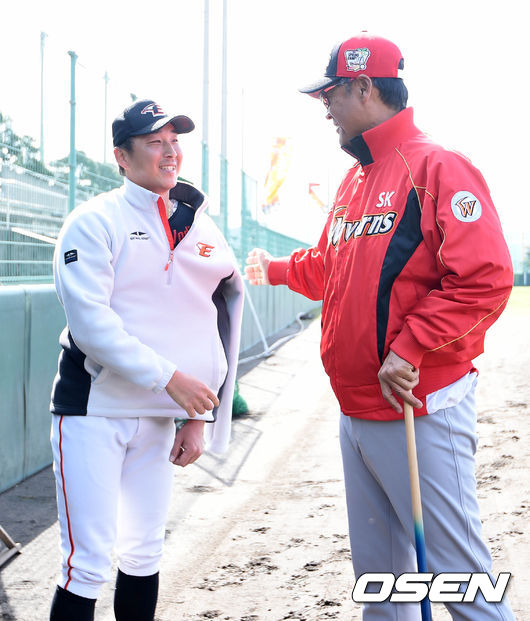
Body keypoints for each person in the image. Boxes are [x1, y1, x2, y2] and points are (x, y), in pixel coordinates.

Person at [245, 33, 515, 620]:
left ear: (365, 86)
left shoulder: (437, 165)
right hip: (357, 407)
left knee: (460, 579)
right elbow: (330, 267)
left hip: (419, 405)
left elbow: (486, 278)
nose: (325, 108)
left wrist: (412, 346)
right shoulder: (354, 180)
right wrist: (275, 269)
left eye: (331, 95)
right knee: (384, 586)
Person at [48, 99, 243, 621]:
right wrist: (170, 379)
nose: (169, 152)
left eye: (174, 141)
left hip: (159, 415)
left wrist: (199, 416)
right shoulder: (93, 221)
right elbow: (91, 326)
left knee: (143, 552)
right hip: (93, 410)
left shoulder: (202, 227)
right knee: (86, 563)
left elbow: (213, 320)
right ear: (122, 155)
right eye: (155, 142)